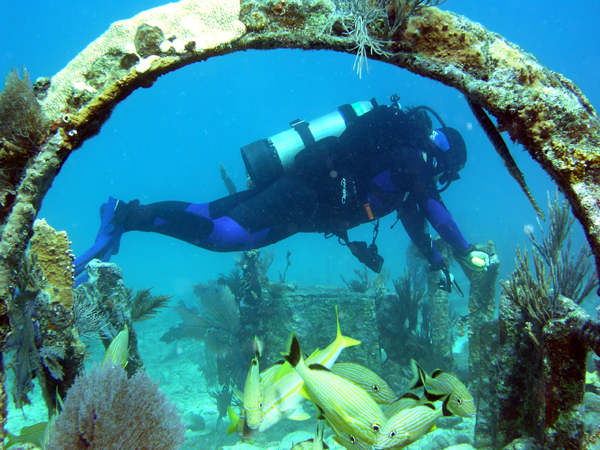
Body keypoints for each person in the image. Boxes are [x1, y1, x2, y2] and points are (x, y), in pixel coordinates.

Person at [73, 96, 490, 292]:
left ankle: (126, 215)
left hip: (306, 200)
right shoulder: (413, 161)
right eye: (446, 171)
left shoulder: (404, 169)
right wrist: (464, 250)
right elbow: (435, 210)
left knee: (209, 212)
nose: (439, 179)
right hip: (304, 196)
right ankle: (125, 217)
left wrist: (437, 264)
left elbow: (419, 220)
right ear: (441, 157)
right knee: (225, 236)